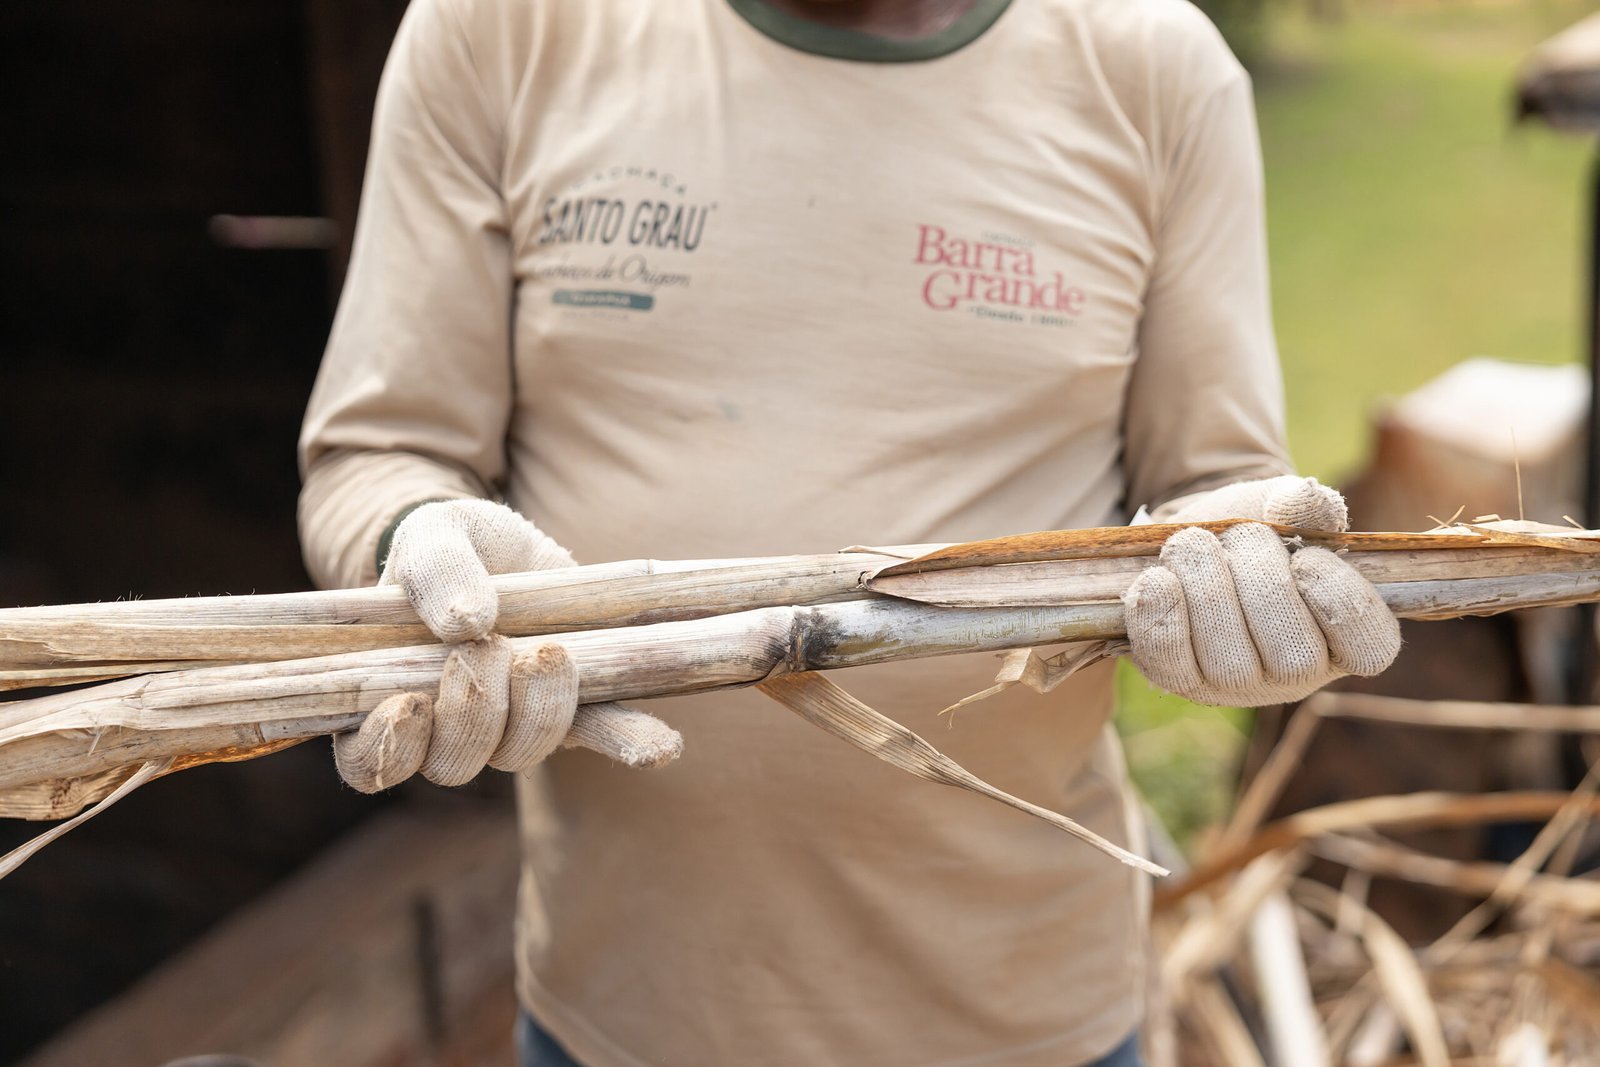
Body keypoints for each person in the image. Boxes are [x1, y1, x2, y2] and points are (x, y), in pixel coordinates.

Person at [297, 1, 1401, 1064]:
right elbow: (374, 455)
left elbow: (1214, 479)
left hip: (1031, 1015)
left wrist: (1240, 576)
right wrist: (419, 542)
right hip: (620, 1015)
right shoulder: (505, 29)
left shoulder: (1153, 70)